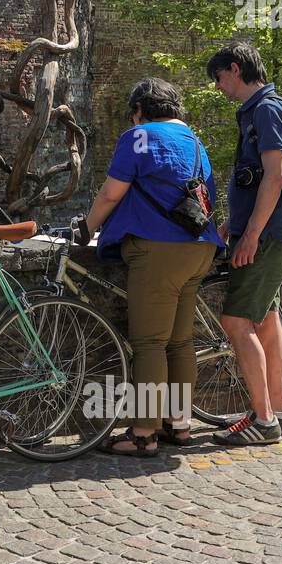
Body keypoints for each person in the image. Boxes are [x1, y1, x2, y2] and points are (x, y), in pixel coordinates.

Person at [80, 78, 225, 456]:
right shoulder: (195, 141)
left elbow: (113, 192)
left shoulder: (138, 136)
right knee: (180, 343)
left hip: (158, 251)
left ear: (139, 111)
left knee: (149, 344)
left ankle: (143, 434)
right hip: (199, 249)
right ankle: (178, 426)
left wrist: (87, 228)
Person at [206, 41, 282, 446]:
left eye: (219, 77)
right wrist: (234, 222)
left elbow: (274, 176)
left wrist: (252, 235)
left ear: (236, 69)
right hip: (267, 231)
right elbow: (256, 179)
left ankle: (263, 422)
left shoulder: (266, 109)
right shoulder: (266, 108)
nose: (218, 86)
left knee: (236, 322)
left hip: (267, 236)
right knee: (265, 319)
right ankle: (276, 410)